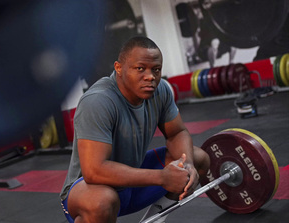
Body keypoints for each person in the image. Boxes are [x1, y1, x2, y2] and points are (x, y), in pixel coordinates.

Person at [60, 36, 210, 223]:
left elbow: (177, 133)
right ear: (119, 68)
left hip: (133, 179)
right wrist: (162, 177)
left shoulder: (160, 90)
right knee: (101, 202)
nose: (150, 76)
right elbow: (94, 171)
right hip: (89, 190)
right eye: (140, 68)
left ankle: (156, 219)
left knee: (198, 158)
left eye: (156, 70)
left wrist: (187, 166)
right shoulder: (98, 101)